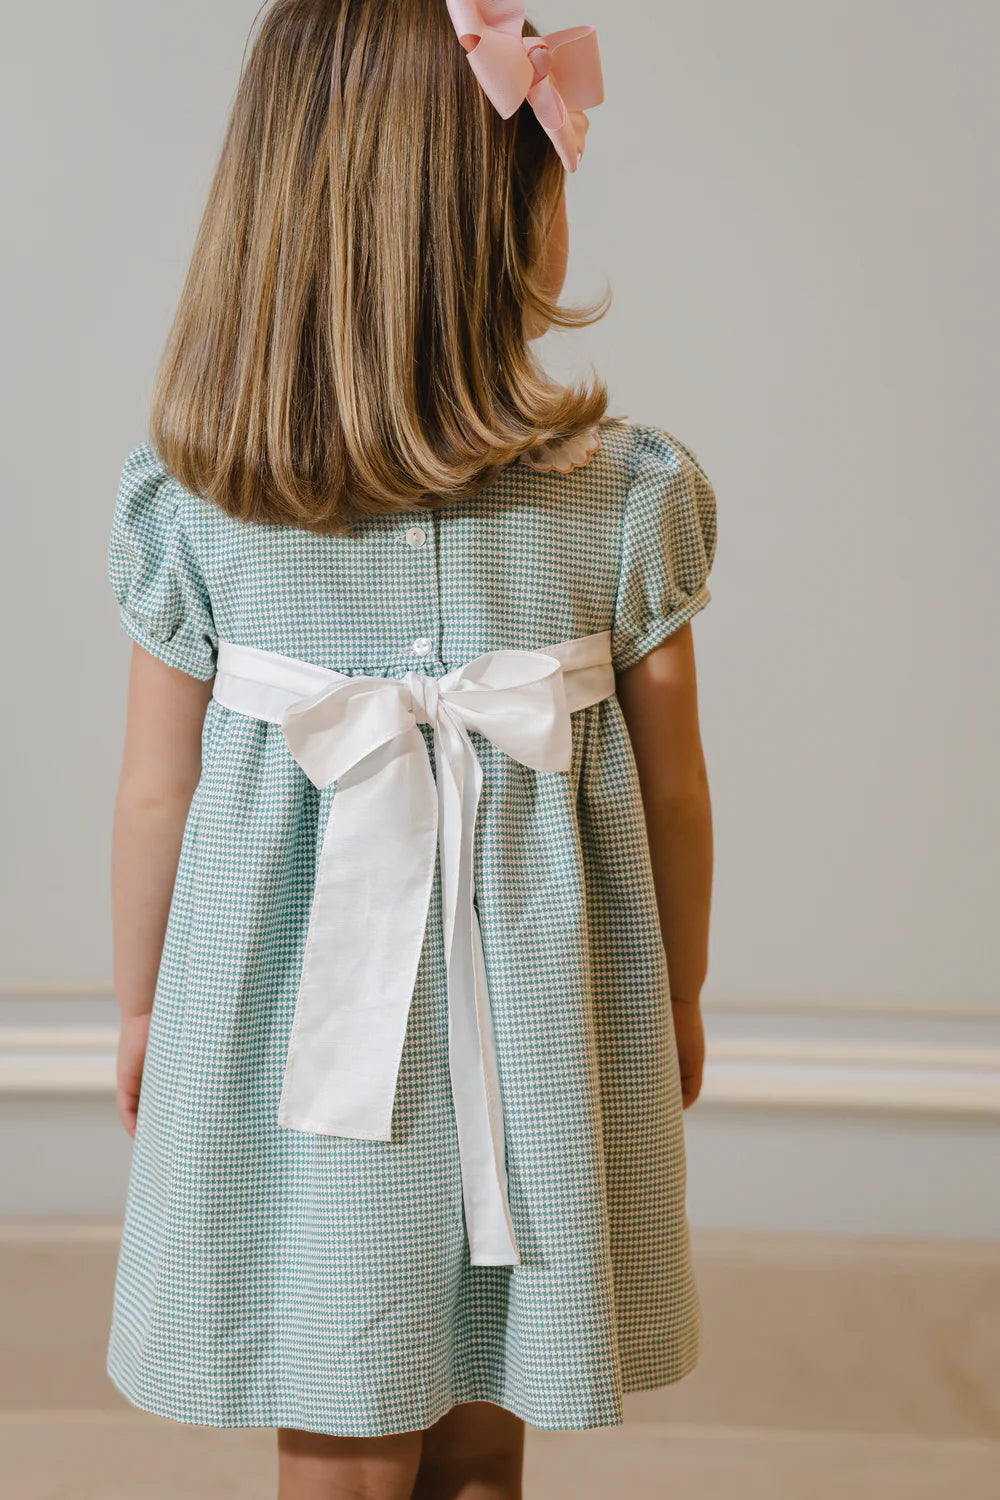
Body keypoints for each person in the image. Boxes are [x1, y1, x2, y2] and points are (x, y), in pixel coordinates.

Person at [105, 2, 717, 1496]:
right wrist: (680, 990)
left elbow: (155, 794)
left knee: (343, 1416)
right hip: (539, 1015)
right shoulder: (626, 498)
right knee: (488, 1409)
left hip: (292, 1015)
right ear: (508, 222)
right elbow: (678, 791)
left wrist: (140, 1009)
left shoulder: (201, 504)